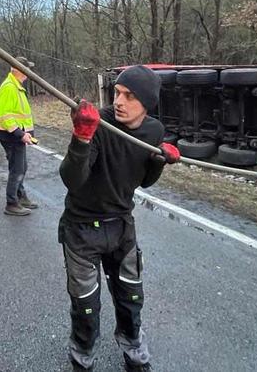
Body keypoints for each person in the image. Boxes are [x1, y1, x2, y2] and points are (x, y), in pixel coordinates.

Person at [58, 65, 181, 372]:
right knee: (85, 304)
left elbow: (143, 183)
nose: (119, 101)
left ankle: (134, 348)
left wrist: (158, 162)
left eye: (129, 96)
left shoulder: (153, 131)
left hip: (121, 226)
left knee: (130, 295)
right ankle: (82, 355)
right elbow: (72, 180)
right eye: (117, 92)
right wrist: (81, 138)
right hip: (81, 228)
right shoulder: (99, 123)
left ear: (147, 104)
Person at [0, 57, 38, 216]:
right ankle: (12, 203)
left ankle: (21, 197)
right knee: (17, 169)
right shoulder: (9, 87)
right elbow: (5, 116)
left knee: (21, 167)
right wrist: (20, 134)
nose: (29, 72)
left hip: (15, 136)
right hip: (11, 136)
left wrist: (27, 134)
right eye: (27, 69)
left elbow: (18, 115)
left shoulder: (15, 86)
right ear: (20, 70)